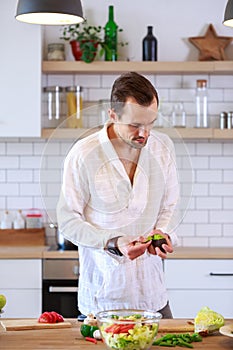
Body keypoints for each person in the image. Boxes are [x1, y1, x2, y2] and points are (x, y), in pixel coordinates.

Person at [57, 72, 180, 319]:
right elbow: (68, 222)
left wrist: (164, 234)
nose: (144, 133)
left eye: (151, 122)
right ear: (113, 115)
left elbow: (170, 206)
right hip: (102, 301)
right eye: (135, 124)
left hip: (153, 297)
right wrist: (113, 242)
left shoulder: (163, 147)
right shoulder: (84, 154)